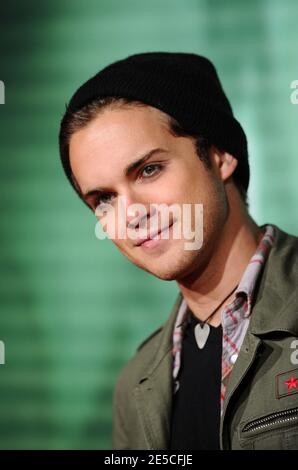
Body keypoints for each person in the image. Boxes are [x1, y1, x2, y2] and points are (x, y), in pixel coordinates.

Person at [59, 52, 298, 450]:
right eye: (103, 198)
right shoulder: (136, 385)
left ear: (220, 155)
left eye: (149, 170)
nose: (131, 214)